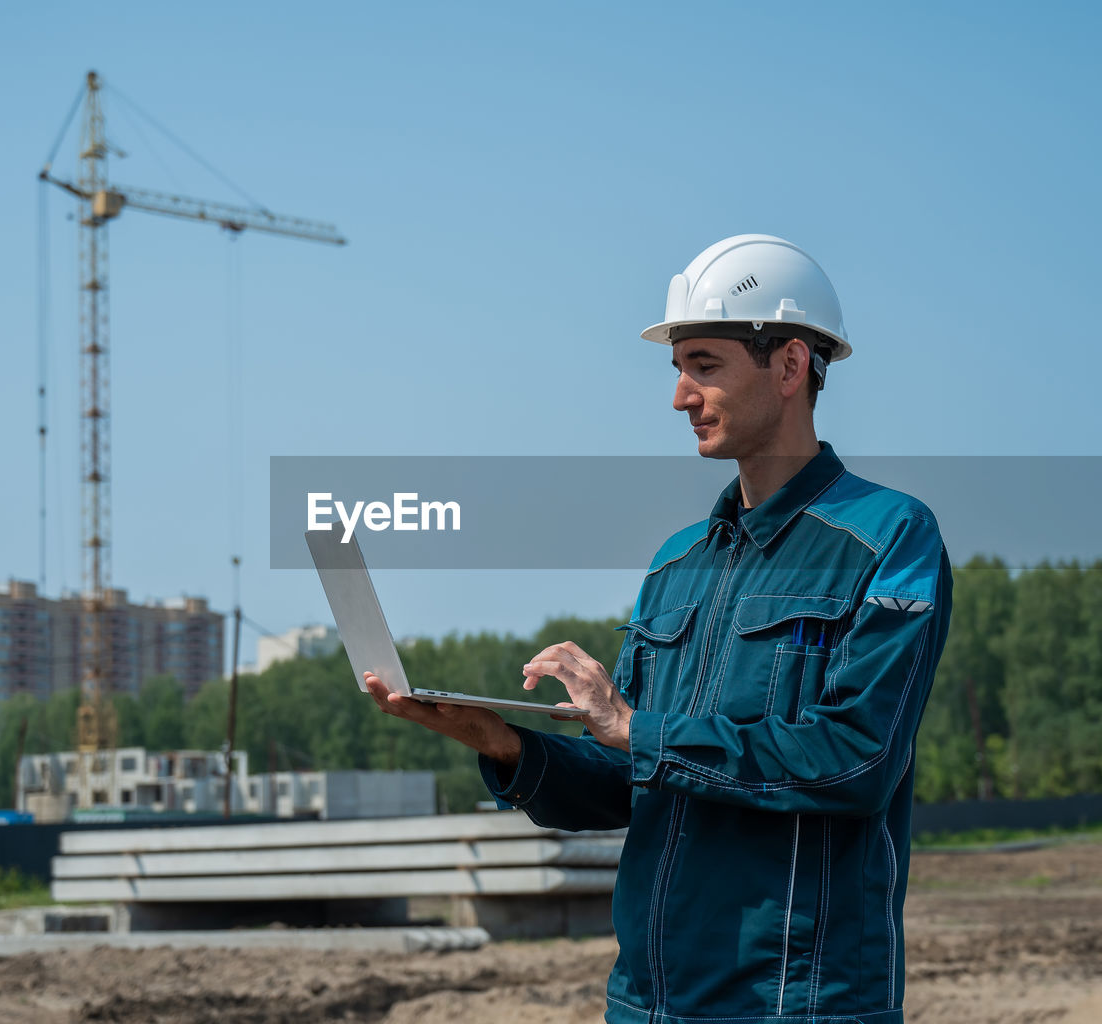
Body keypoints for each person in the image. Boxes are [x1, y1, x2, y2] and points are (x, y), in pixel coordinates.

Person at [365, 233, 952, 1024]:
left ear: (789, 367)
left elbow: (856, 763)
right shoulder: (677, 565)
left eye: (704, 365)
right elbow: (631, 775)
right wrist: (501, 741)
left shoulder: (889, 539)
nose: (680, 396)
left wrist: (640, 730)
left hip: (794, 1005)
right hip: (647, 1004)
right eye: (678, 369)